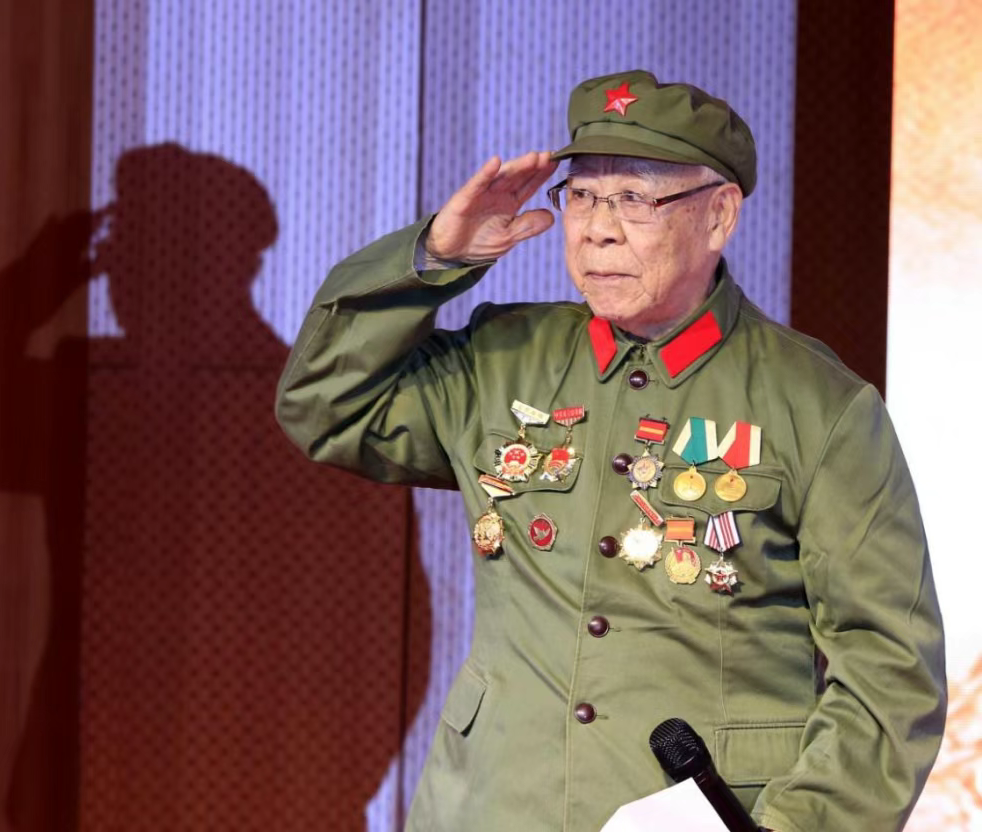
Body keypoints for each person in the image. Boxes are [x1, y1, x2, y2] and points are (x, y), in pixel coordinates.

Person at [275, 70, 946, 832]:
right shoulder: (504, 360)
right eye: (583, 196)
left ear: (720, 215)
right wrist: (431, 260)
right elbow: (325, 405)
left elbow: (890, 670)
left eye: (633, 199)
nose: (597, 229)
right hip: (493, 808)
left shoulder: (817, 405)